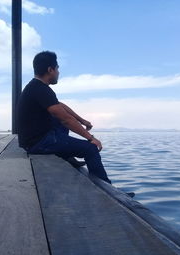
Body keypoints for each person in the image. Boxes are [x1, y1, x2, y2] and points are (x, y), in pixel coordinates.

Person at [17, 51, 111, 184]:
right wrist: (91, 139)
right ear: (50, 70)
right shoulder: (41, 89)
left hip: (35, 139)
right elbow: (66, 119)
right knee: (90, 149)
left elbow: (60, 106)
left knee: (58, 118)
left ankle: (67, 155)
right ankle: (106, 187)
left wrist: (81, 120)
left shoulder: (37, 87)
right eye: (57, 69)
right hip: (37, 144)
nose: (58, 72)